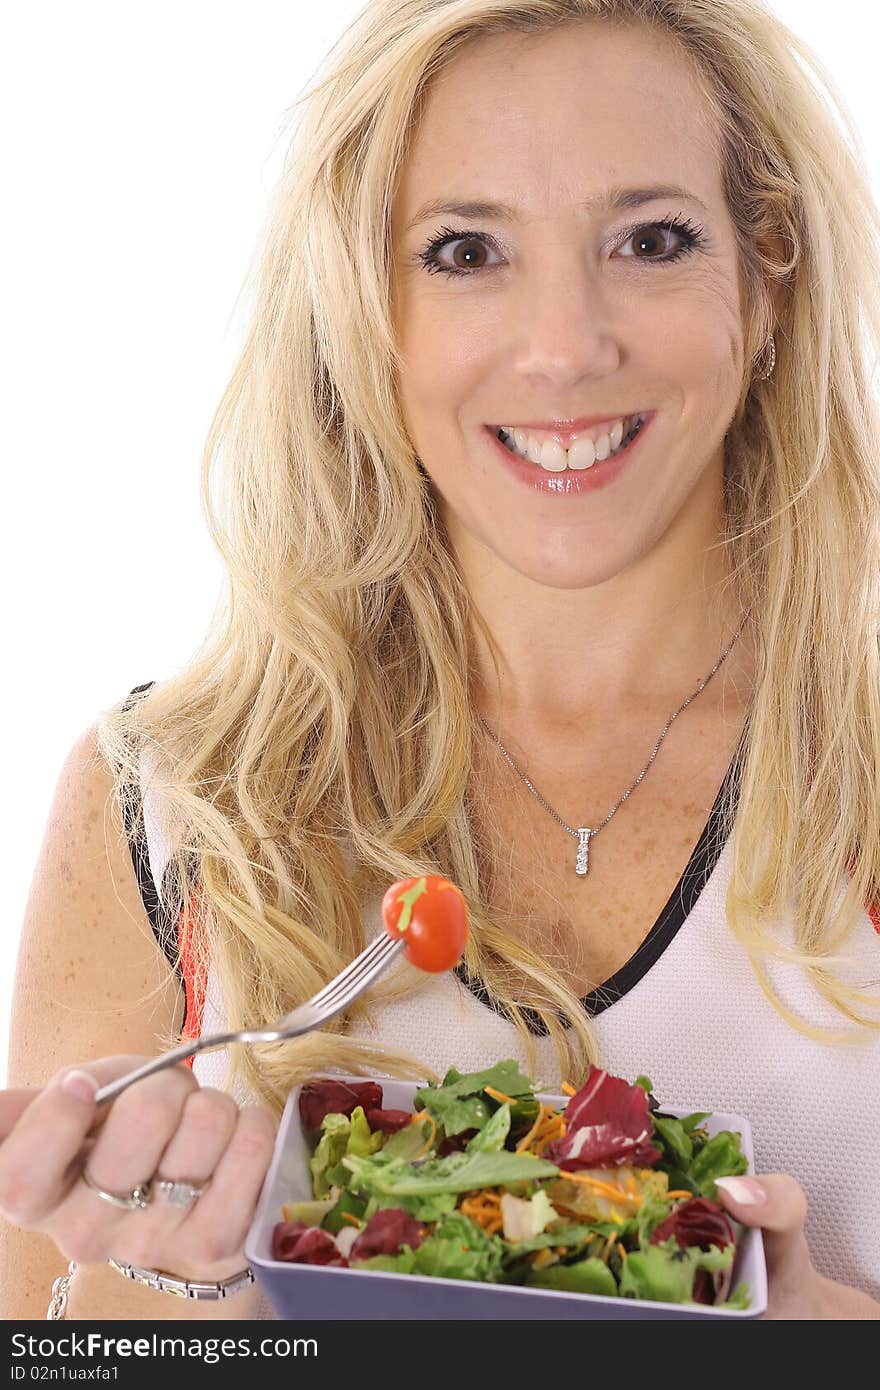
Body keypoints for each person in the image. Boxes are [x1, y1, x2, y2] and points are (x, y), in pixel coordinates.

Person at [2, 0, 879, 1322]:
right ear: (365, 307)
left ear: (767, 278)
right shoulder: (171, 806)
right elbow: (54, 1341)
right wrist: (197, 1298)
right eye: (464, 250)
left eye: (651, 240)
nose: (567, 347)